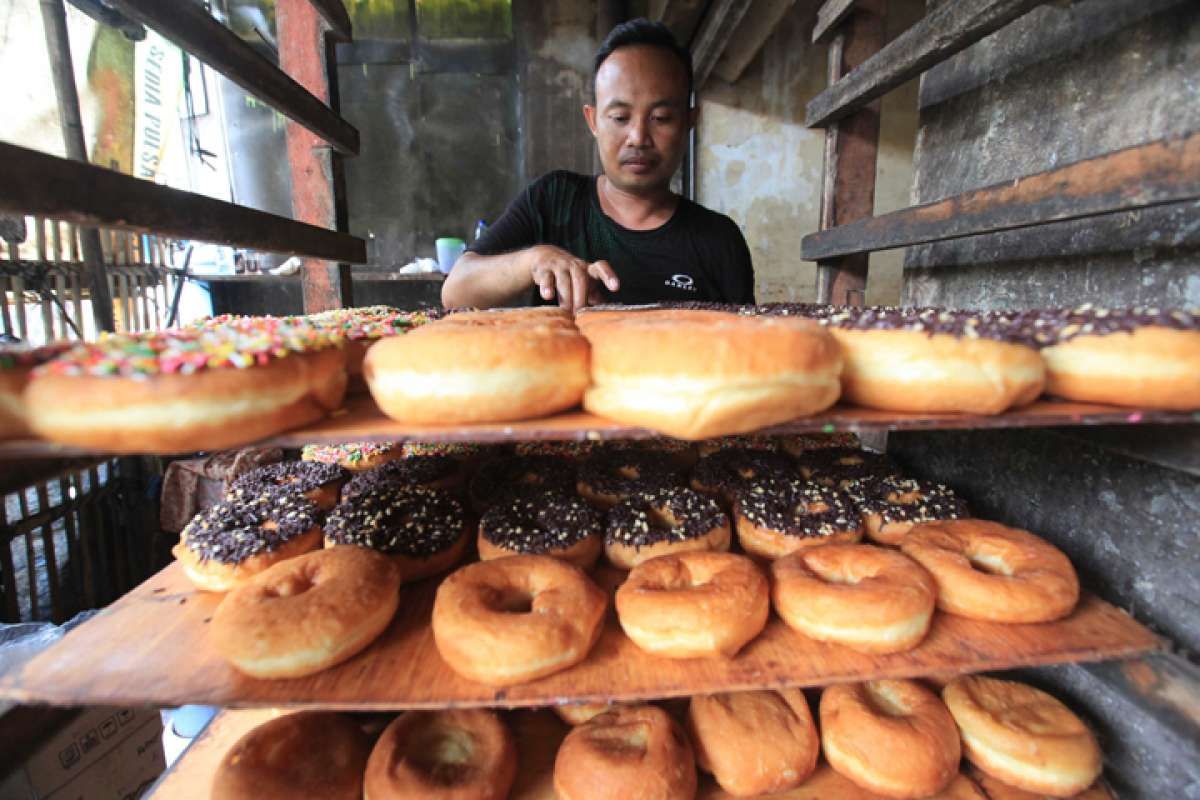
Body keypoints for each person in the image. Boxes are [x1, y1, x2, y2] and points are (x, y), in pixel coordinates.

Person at [441, 19, 755, 311]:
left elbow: (745, 352)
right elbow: (455, 291)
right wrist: (534, 261)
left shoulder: (717, 240)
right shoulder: (554, 201)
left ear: (689, 122)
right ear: (593, 120)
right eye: (620, 118)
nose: (638, 137)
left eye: (661, 118)